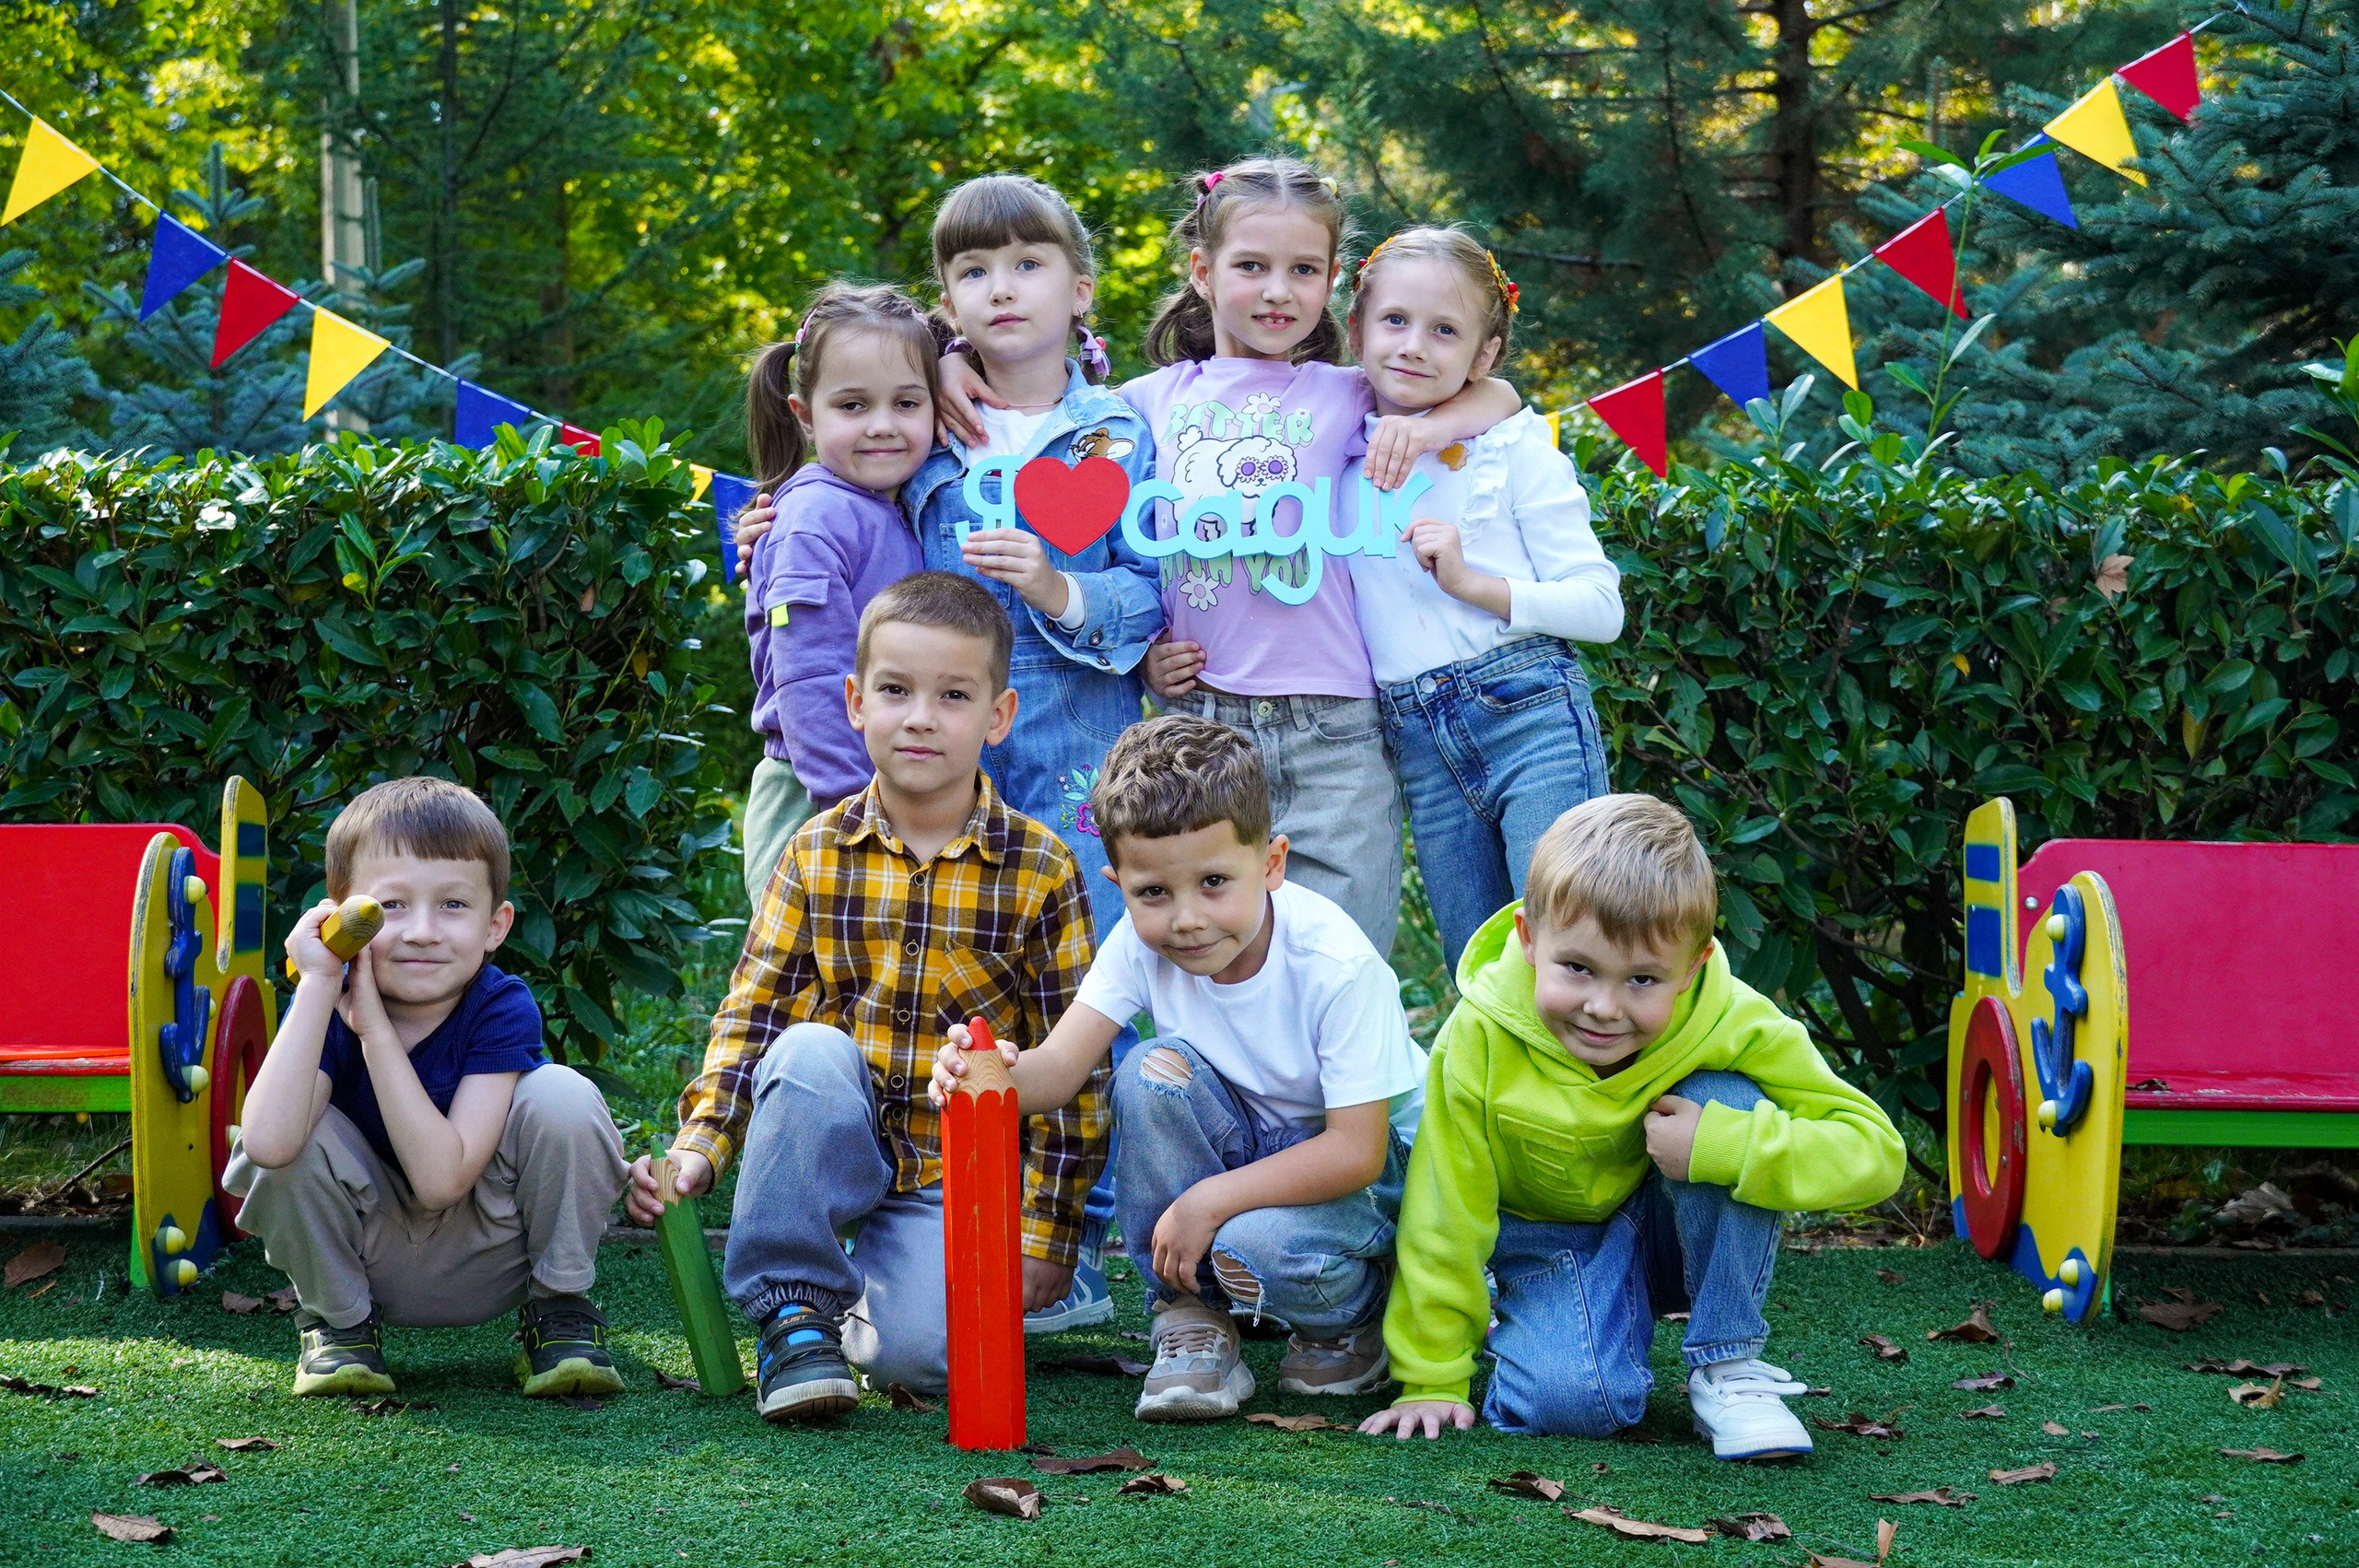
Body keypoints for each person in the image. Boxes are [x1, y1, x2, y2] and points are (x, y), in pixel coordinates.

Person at [627, 572, 1106, 1422]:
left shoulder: (1041, 868)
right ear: (855, 701)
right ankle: (794, 1305)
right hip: (833, 1128)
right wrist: (704, 1143)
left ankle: (876, 1298)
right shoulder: (816, 850)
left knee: (921, 1360)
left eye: (953, 695)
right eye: (895, 690)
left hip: (947, 1167)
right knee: (807, 1048)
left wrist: (1048, 1233)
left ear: (998, 717)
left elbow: (1077, 1066)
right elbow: (754, 1012)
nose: (920, 716)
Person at [1361, 794, 1906, 1458]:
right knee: (1573, 1403)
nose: (1602, 1007)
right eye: (1578, 968)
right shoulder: (1478, 1034)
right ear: (1529, 940)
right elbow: (1444, 1204)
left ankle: (1727, 1366)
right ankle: (1543, 1311)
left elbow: (1875, 1150)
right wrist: (1432, 1375)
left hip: (1669, 1228)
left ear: (1693, 967)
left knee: (1723, 1097)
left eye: (1643, 979)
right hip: (1547, 1239)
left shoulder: (1731, 1014)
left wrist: (1719, 1145)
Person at [931, 714, 1427, 1422]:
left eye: (1215, 882)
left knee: (1252, 1246)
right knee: (1149, 1074)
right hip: (1254, 1149)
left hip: (1373, 1174)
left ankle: (1357, 1316)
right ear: (1120, 882)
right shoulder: (1141, 945)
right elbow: (1059, 1069)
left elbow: (1357, 1149)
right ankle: (1188, 1316)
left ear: (1273, 863)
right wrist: (987, 1074)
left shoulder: (1337, 967)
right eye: (1154, 893)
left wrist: (1207, 1202)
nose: (1187, 919)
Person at [901, 175, 1165, 1329]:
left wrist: (1058, 585)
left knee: (1087, 989)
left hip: (1075, 749)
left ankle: (1082, 1247)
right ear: (944, 300)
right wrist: (770, 510)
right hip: (946, 756)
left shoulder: (1119, 430)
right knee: (959, 976)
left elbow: (1152, 599)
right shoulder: (924, 422)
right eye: (970, 271)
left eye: (1026, 264)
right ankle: (945, 1221)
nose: (1000, 288)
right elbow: (826, 422)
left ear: (1079, 287)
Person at [225, 778, 628, 1399]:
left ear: (496, 926)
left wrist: (376, 1035)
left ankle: (559, 1311)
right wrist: (317, 983)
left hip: (491, 1251)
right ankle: (341, 1327)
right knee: (288, 1115)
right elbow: (269, 1145)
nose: (420, 931)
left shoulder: (501, 1006)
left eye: (453, 906)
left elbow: (443, 1182)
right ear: (340, 916)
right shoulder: (323, 1007)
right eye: (389, 907)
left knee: (562, 1096)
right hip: (366, 1259)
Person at [1342, 228, 1623, 968]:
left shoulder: (1515, 449)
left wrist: (1473, 584)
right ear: (1354, 329)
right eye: (1394, 321)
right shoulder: (1328, 441)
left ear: (1485, 355)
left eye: (1445, 331)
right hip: (1416, 739)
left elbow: (1602, 607)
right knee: (1482, 965)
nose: (1413, 346)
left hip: (1527, 712)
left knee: (1571, 944)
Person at [734, 283, 937, 906]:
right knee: (808, 992)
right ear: (804, 414)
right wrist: (852, 812)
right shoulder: (817, 515)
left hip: (887, 787)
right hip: (820, 795)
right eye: (852, 406)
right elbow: (810, 677)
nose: (882, 426)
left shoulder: (893, 503)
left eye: (907, 403)